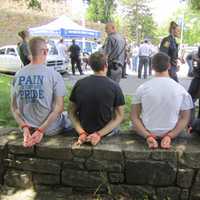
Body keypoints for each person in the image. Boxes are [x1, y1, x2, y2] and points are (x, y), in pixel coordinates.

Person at [11, 37, 71, 147]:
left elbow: (14, 108)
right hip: (50, 129)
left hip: (27, 128)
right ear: (45, 51)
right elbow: (59, 108)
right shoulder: (54, 75)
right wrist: (41, 130)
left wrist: (24, 128)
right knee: (70, 116)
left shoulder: (18, 74)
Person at [131, 52, 193, 149]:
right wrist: (170, 135)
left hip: (148, 130)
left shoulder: (142, 88)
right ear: (169, 66)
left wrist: (148, 135)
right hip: (172, 130)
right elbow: (185, 118)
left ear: (152, 67)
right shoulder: (181, 89)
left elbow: (134, 117)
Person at [68, 52, 125, 146]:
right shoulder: (114, 86)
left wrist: (81, 132)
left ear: (90, 66)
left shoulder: (79, 84)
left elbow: (71, 112)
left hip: (84, 130)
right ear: (106, 65)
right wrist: (98, 134)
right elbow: (119, 116)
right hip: (106, 133)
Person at [188, 46, 200, 130]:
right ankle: (191, 123)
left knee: (190, 99)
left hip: (197, 79)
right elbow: (195, 68)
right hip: (197, 79)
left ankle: (193, 124)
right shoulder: (196, 56)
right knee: (190, 100)